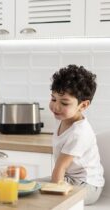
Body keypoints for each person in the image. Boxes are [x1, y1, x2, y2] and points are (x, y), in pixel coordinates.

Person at [49, 65, 104, 205]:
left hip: (87, 187)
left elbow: (60, 168)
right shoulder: (62, 118)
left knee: (41, 196)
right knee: (30, 187)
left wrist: (55, 196)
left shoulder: (79, 133)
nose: (56, 107)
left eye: (64, 102)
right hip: (69, 179)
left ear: (83, 105)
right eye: (53, 99)